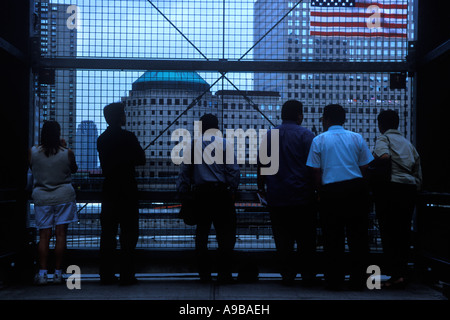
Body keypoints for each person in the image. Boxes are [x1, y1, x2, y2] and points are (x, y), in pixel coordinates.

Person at [306, 104, 374, 290]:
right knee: (358, 238)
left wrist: (319, 192)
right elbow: (366, 166)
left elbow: (315, 170)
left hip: (331, 193)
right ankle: (360, 280)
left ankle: (334, 279)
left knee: (332, 238)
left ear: (325, 119)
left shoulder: (319, 140)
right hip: (355, 191)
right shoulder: (356, 138)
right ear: (344, 120)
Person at [257, 100, 317, 286]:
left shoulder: (269, 135)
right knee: (306, 239)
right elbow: (314, 166)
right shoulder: (307, 135)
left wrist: (261, 188)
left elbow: (261, 165)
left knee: (283, 239)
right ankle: (307, 275)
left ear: (282, 115)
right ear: (299, 115)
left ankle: (287, 275)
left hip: (277, 196)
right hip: (303, 196)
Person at [177, 114, 240, 283]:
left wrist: (183, 191)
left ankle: (204, 274)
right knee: (225, 235)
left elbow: (184, 172)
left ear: (201, 127)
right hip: (221, 194)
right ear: (216, 127)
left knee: (202, 234)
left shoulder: (192, 145)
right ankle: (224, 274)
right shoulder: (225, 144)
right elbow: (233, 171)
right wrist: (232, 189)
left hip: (200, 195)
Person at [97, 102, 146, 285]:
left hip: (109, 190)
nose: (126, 116)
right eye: (124, 113)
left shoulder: (101, 139)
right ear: (119, 117)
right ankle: (127, 274)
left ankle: (106, 274)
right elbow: (141, 159)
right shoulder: (129, 137)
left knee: (107, 234)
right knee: (129, 234)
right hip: (128, 190)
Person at [373, 110, 422, 289]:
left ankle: (395, 275)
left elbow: (383, 156)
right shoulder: (408, 144)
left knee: (389, 232)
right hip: (408, 190)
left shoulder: (383, 139)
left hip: (391, 189)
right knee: (403, 233)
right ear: (398, 124)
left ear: (380, 125)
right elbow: (418, 173)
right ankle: (402, 273)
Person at [29, 120, 78, 285]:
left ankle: (42, 273)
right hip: (64, 196)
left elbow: (32, 167)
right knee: (60, 235)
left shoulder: (33, 152)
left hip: (42, 197)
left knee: (44, 236)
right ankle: (58, 273)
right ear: (58, 134)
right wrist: (64, 147)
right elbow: (74, 168)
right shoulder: (67, 152)